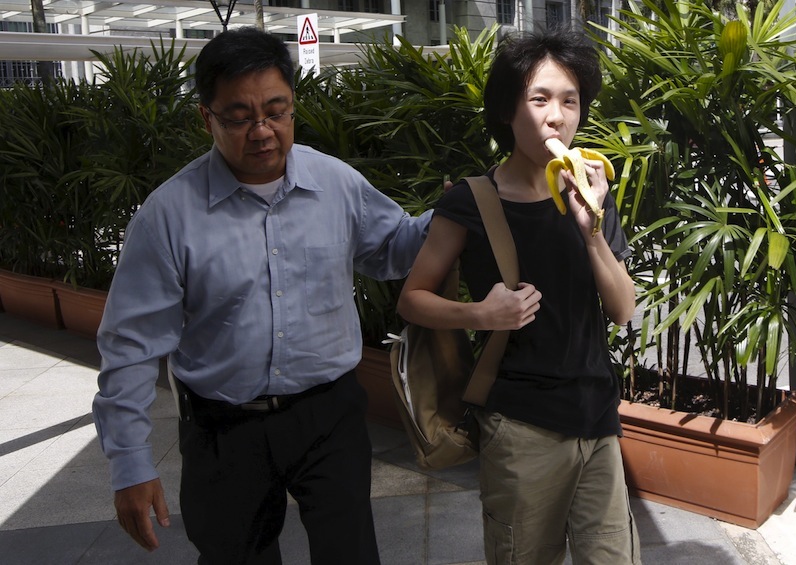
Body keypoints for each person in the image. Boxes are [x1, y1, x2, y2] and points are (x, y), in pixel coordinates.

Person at [92, 27, 431, 565]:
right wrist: (131, 463)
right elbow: (131, 345)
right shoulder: (169, 216)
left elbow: (392, 248)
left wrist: (463, 208)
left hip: (329, 416)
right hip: (223, 428)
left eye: (277, 110)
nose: (263, 130)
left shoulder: (335, 183)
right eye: (239, 116)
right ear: (206, 118)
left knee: (351, 554)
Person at [397, 27, 641, 564]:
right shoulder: (472, 201)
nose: (556, 116)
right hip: (521, 426)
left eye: (570, 101)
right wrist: (480, 313)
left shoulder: (592, 195)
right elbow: (412, 299)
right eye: (540, 99)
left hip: (597, 418)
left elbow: (624, 310)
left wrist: (590, 227)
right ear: (508, 111)